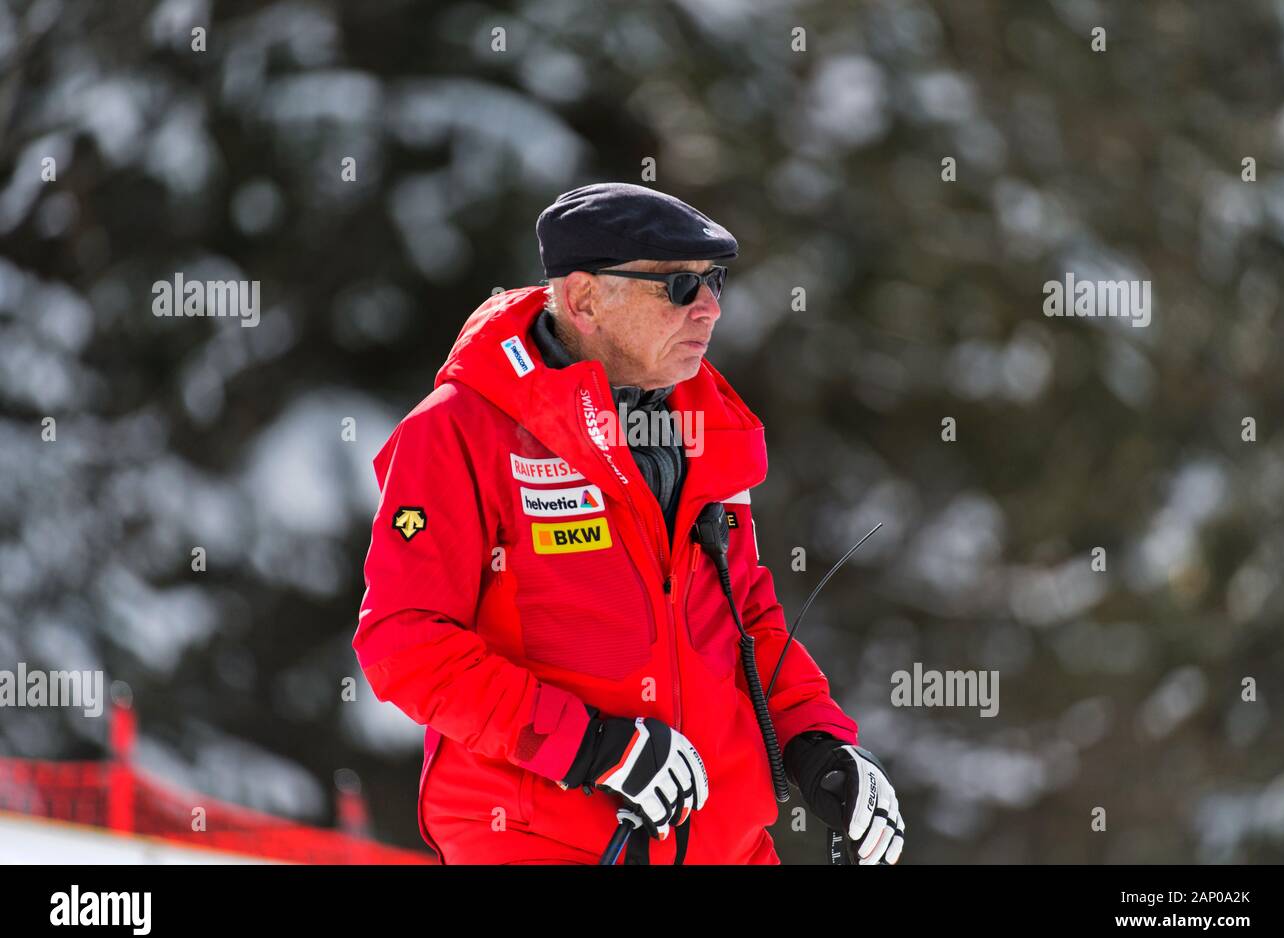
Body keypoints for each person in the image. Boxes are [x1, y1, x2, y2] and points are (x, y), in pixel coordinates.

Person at [352, 182, 904, 865]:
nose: (710, 307)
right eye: (678, 286)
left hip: (721, 843)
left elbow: (746, 619)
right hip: (542, 839)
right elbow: (406, 647)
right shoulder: (459, 430)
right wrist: (596, 748)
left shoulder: (704, 422)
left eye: (715, 281)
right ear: (585, 299)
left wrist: (817, 743)